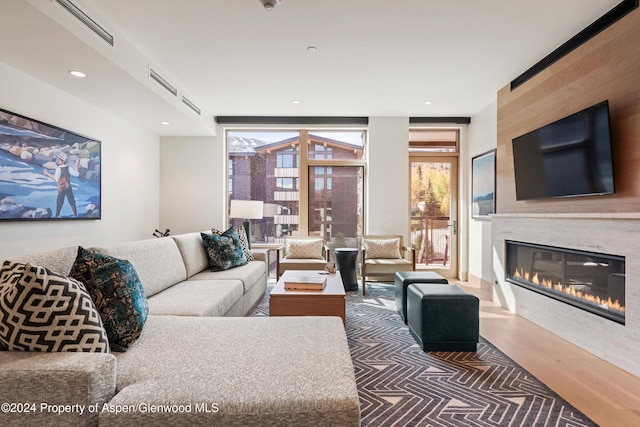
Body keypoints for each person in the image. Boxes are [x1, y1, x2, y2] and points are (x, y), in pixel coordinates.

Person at [44, 152, 79, 217]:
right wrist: (76, 165)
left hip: (61, 188)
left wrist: (47, 174)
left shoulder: (59, 168)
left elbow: (56, 179)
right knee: (72, 202)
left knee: (59, 202)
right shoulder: (69, 168)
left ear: (62, 161)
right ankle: (75, 215)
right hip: (68, 187)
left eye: (59, 159)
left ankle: (57, 216)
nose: (58, 160)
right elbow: (77, 174)